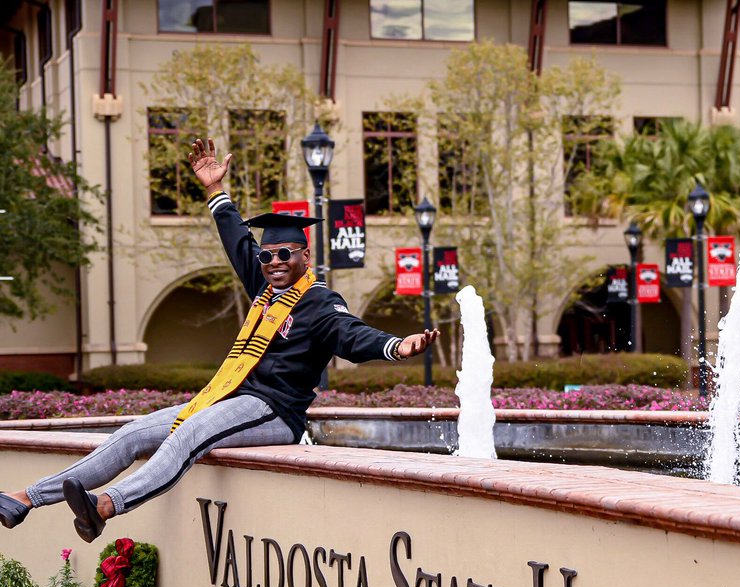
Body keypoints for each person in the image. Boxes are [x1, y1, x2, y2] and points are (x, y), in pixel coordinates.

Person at [0, 138, 438, 541]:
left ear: (305, 255)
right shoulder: (265, 287)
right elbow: (237, 240)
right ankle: (25, 499)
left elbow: (351, 334)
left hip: (274, 412)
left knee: (187, 435)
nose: (274, 261)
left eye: (285, 254)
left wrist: (396, 346)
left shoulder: (319, 302)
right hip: (231, 397)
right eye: (268, 255)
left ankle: (107, 505)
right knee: (132, 432)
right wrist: (215, 191)